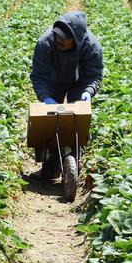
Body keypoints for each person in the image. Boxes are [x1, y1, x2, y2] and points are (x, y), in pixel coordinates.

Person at [29, 10, 103, 180]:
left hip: (80, 83)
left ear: (75, 40)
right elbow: (39, 76)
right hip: (53, 80)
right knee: (50, 119)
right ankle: (49, 167)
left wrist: (88, 92)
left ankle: (73, 162)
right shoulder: (45, 43)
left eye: (63, 40)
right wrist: (45, 98)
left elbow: (94, 76)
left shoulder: (92, 47)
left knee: (76, 120)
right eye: (57, 37)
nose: (58, 41)